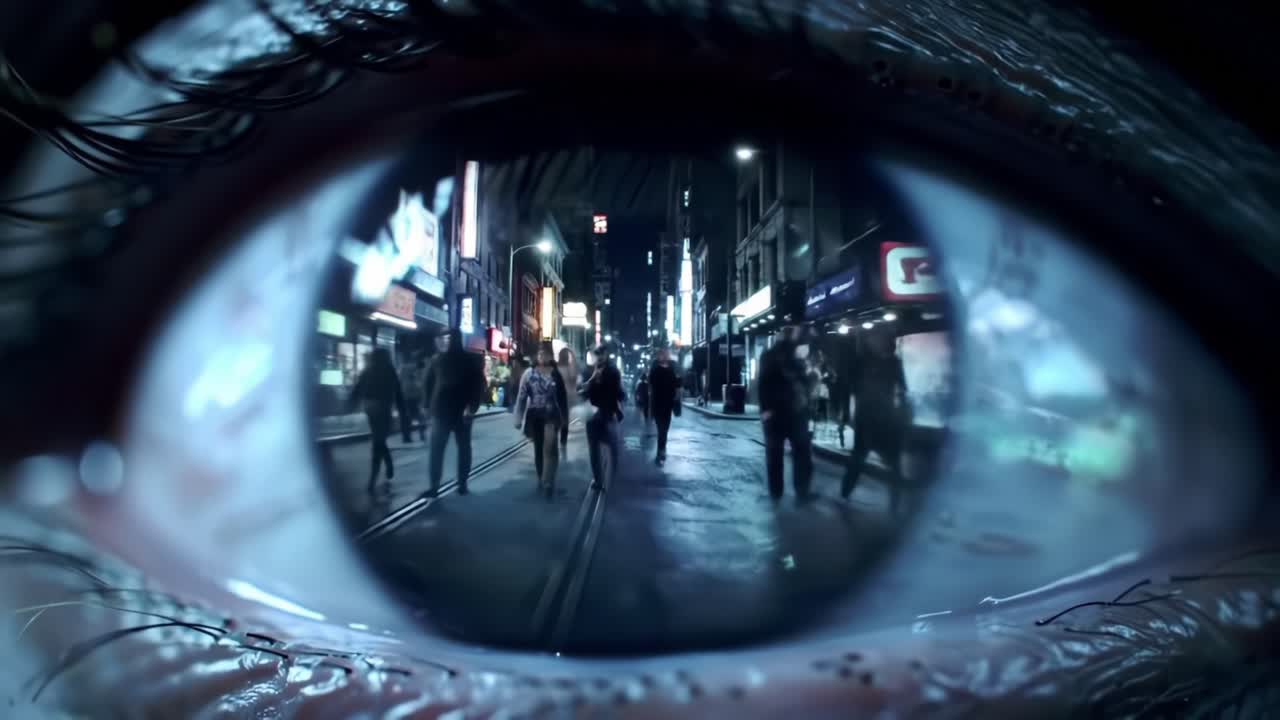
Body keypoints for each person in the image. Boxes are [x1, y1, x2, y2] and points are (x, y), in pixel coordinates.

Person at [842, 328, 910, 513]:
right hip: (872, 417)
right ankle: (846, 493)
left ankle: (893, 503)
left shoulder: (884, 362)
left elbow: (902, 389)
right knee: (863, 459)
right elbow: (854, 387)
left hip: (879, 418)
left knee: (866, 459)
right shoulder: (873, 362)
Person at [422, 327, 486, 497]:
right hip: (456, 410)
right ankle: (459, 484)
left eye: (447, 338)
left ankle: (438, 486)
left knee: (440, 450)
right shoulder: (468, 360)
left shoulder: (439, 360)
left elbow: (427, 383)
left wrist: (427, 406)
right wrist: (472, 407)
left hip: (445, 410)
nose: (444, 341)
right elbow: (479, 385)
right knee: (460, 448)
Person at [757, 325, 815, 500]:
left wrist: (765, 410)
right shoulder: (794, 357)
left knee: (776, 455)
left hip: (778, 413)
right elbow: (803, 384)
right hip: (792, 412)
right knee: (800, 453)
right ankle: (800, 490)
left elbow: (763, 383)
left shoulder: (771, 356)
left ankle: (777, 492)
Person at [347, 348, 408, 494]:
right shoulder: (389, 370)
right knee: (379, 440)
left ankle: (379, 473)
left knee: (378, 439)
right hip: (384, 408)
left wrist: (351, 402)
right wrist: (403, 412)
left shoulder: (368, 370)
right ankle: (379, 472)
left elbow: (358, 387)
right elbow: (398, 392)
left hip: (370, 407)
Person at [514, 341, 568, 497]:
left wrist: (565, 420)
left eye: (545, 353)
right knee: (538, 448)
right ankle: (541, 478)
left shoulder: (556, 374)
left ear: (550, 355)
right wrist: (518, 417)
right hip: (535, 416)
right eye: (540, 353)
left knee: (550, 448)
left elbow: (562, 399)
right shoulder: (529, 374)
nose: (542, 356)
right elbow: (522, 396)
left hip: (552, 415)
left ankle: (548, 481)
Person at [579, 344, 625, 491]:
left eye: (601, 354)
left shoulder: (612, 371)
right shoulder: (589, 371)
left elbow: (617, 391)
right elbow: (583, 390)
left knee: (613, 447)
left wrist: (601, 380)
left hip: (607, 414)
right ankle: (599, 480)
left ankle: (612, 479)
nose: (599, 357)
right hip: (593, 414)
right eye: (597, 354)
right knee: (594, 449)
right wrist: (590, 382)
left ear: (606, 354)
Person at [647, 347, 681, 464]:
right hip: (657, 402)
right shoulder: (655, 369)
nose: (665, 355)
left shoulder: (672, 368)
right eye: (663, 354)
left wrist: (677, 396)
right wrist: (650, 404)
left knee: (665, 429)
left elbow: (678, 384)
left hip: (668, 403)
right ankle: (661, 450)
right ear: (659, 356)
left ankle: (662, 449)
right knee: (661, 428)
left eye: (666, 353)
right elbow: (650, 386)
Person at [557, 347, 580, 451]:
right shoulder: (568, 368)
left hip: (558, 396)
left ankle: (557, 441)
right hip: (566, 397)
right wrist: (573, 355)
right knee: (564, 421)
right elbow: (573, 376)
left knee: (558, 419)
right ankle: (563, 443)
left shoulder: (556, 368)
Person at [399, 355, 427, 442]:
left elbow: (399, 381)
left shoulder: (403, 368)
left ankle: (407, 436)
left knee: (408, 416)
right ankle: (421, 433)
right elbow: (422, 381)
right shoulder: (418, 368)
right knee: (419, 415)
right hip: (416, 394)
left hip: (405, 394)